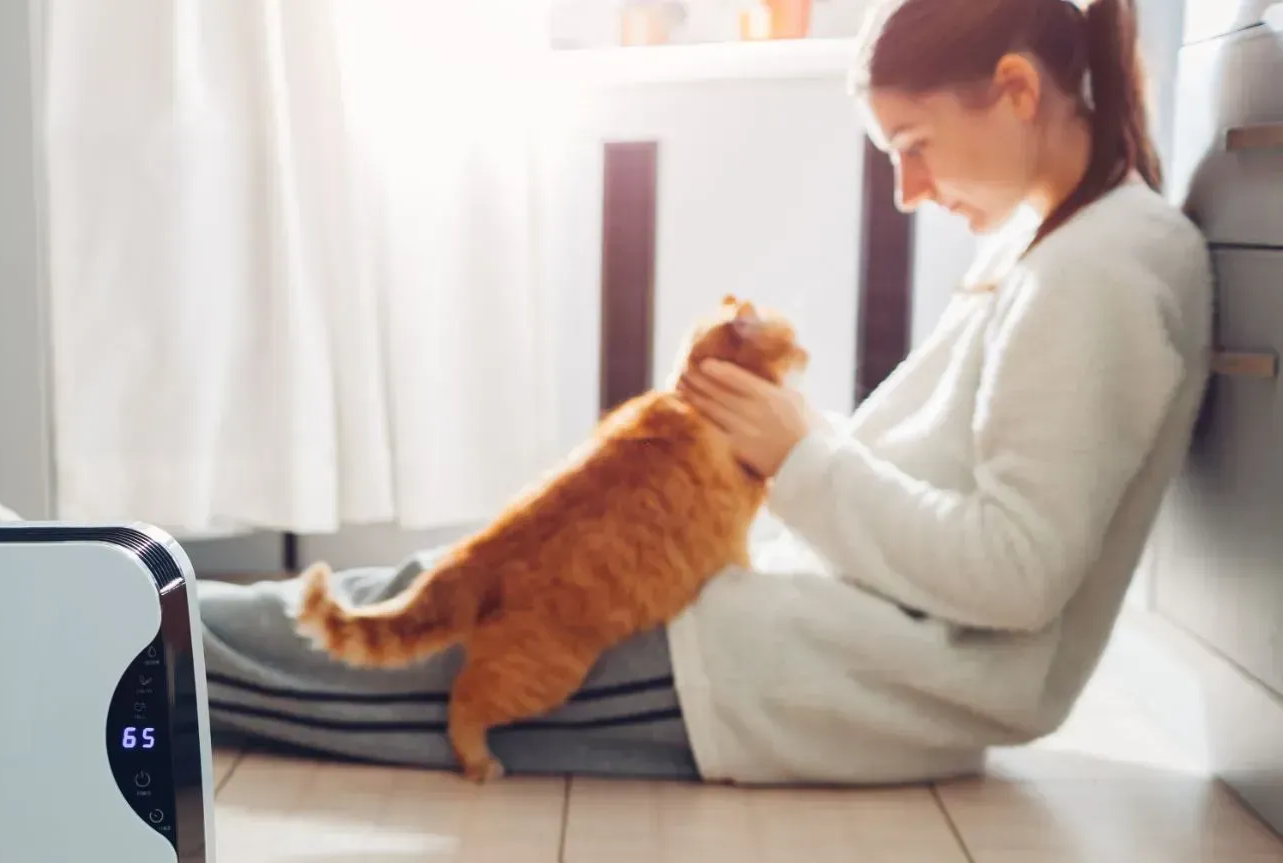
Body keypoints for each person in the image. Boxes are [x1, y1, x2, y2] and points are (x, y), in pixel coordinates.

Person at [190, 0, 1211, 784]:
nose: (909, 192)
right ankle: (100, 598)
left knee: (342, 663)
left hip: (776, 669)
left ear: (1019, 91)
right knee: (415, 584)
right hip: (765, 623)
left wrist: (797, 453)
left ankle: (90, 625)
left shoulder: (1099, 277)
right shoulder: (1064, 251)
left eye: (913, 148)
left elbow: (1017, 573)